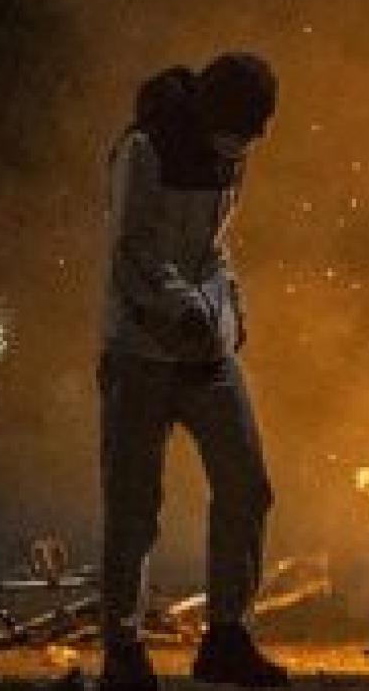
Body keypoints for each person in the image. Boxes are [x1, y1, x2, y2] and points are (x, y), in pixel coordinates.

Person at [98, 52, 289, 691]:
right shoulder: (145, 150)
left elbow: (211, 245)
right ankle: (123, 650)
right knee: (134, 506)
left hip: (208, 354)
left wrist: (230, 307)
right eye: (248, 124)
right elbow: (133, 250)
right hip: (142, 353)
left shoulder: (228, 153)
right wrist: (180, 309)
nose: (253, 141)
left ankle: (227, 637)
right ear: (215, 109)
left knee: (247, 487)